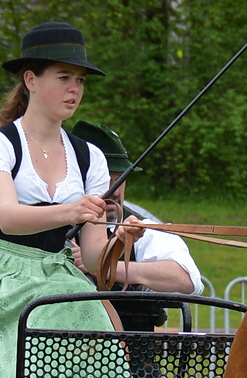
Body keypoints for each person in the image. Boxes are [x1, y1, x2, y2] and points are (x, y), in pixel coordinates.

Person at [0, 21, 122, 378]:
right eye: (63, 78)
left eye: (80, 80)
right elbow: (8, 218)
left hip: (57, 274)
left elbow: (94, 257)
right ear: (30, 80)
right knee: (51, 310)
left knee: (86, 309)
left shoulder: (90, 157)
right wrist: (73, 210)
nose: (74, 89)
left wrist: (120, 239)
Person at [69, 121, 204, 327]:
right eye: (105, 179)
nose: (115, 190)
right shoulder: (47, 229)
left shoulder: (139, 227)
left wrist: (106, 268)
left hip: (130, 347)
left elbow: (188, 280)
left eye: (120, 178)